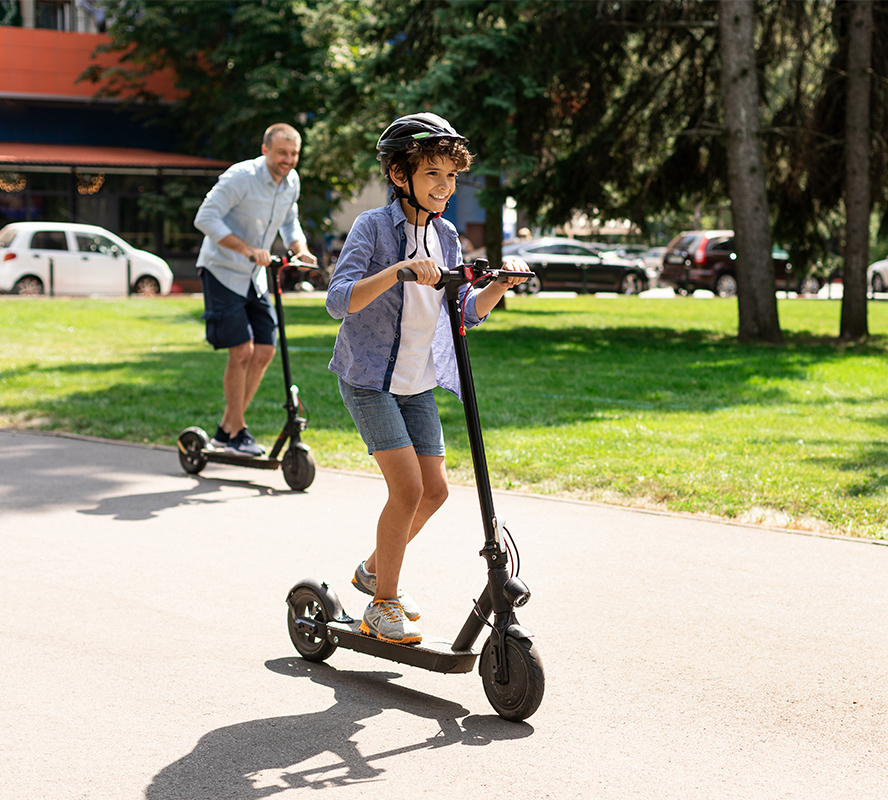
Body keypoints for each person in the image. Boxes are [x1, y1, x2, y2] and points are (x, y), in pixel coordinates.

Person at [325, 113, 530, 645]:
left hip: (416, 378)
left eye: (451, 176)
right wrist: (398, 270)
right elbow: (338, 299)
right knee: (407, 487)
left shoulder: (445, 235)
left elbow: (462, 309)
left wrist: (499, 286)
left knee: (435, 490)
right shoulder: (372, 227)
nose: (444, 186)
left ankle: (374, 570)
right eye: (432, 174)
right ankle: (382, 603)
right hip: (370, 377)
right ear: (400, 176)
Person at [194, 123, 316, 456]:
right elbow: (205, 218)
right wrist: (247, 249)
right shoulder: (240, 177)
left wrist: (300, 248)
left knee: (265, 351)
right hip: (223, 271)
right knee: (243, 350)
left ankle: (226, 430)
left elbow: (290, 221)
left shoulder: (291, 181)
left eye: (293, 154)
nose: (288, 160)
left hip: (256, 276)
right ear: (265, 150)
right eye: (282, 153)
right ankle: (237, 433)